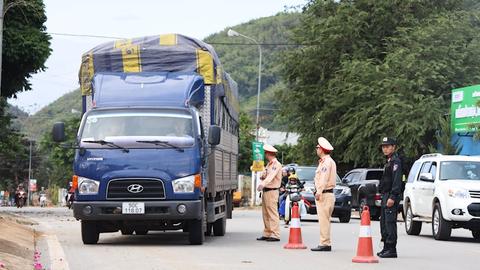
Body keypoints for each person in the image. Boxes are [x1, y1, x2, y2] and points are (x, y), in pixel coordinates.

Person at [377, 137, 403, 258]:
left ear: (393, 147)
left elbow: (397, 181)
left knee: (390, 222)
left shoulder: (395, 161)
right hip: (385, 195)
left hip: (391, 196)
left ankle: (392, 249)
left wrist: (392, 197)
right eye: (383, 147)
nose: (385, 149)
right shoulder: (388, 161)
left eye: (387, 146)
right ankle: (386, 247)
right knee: (384, 222)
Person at [311, 137, 336, 252]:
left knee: (324, 220)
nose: (316, 149)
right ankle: (325, 242)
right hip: (326, 194)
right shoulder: (326, 161)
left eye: (317, 147)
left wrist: (319, 191)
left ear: (321, 149)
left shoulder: (326, 162)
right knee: (325, 219)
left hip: (325, 194)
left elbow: (324, 179)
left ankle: (325, 243)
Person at [256, 144, 282, 242]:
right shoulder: (269, 164)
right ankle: (267, 232)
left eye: (266, 153)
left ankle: (275, 234)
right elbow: (265, 175)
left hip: (272, 191)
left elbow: (271, 176)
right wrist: (263, 176)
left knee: (272, 213)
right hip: (266, 191)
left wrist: (263, 184)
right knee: (265, 213)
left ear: (269, 154)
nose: (265, 155)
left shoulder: (276, 164)